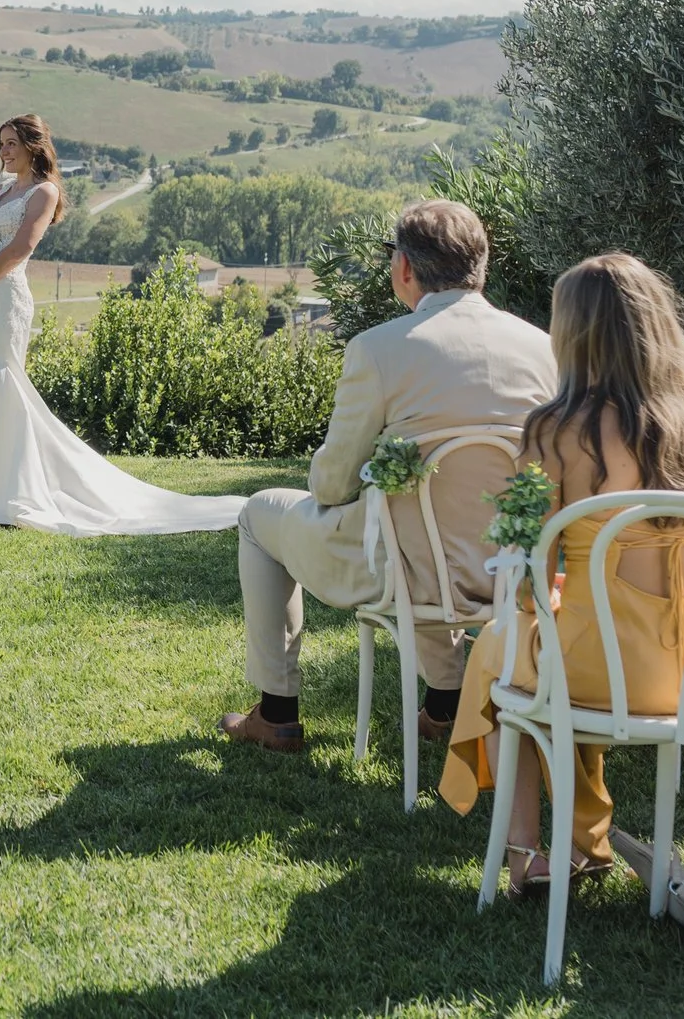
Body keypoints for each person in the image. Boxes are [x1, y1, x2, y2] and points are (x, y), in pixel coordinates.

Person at [439, 253, 684, 892]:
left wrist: (538, 592)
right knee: (554, 643)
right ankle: (583, 841)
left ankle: (527, 857)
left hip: (601, 666)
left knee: (503, 648)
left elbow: (528, 581)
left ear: (574, 335)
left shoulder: (556, 431)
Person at [223, 199, 555, 754]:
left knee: (259, 514)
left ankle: (277, 711)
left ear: (404, 267)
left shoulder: (379, 349)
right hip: (510, 570)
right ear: (482, 263)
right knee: (426, 523)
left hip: (406, 568)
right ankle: (444, 708)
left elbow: (331, 486)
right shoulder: (544, 348)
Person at [0, 115, 242, 535]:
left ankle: (6, 488)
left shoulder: (43, 192)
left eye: (12, 143)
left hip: (4, 298)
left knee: (2, 383)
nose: (4, 151)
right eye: (1, 144)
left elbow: (19, 248)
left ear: (34, 146)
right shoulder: (0, 191)